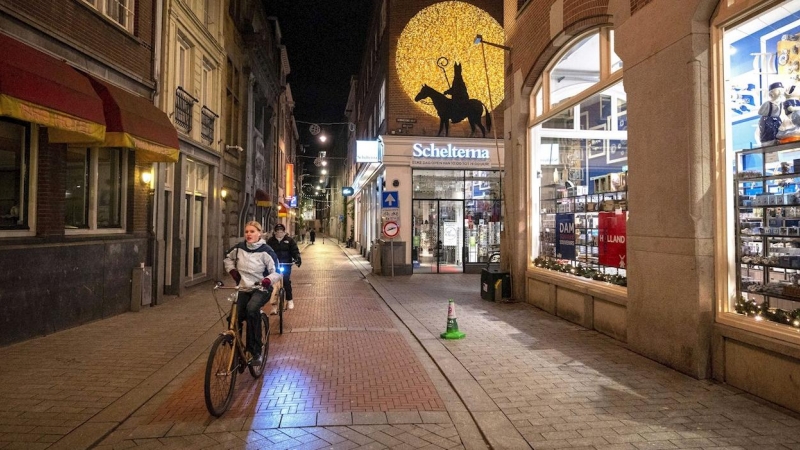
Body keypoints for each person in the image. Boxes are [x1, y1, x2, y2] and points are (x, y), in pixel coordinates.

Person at [223, 221, 281, 366]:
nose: (249, 234)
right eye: (247, 231)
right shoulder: (239, 248)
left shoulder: (266, 251)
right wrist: (232, 271)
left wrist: (267, 280)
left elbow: (277, 271)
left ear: (259, 233)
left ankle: (255, 351)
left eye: (252, 231)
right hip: (243, 288)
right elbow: (227, 258)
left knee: (251, 309)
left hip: (261, 289)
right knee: (233, 318)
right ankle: (238, 350)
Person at [266, 223, 301, 312]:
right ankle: (274, 306)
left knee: (286, 281)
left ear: (284, 231)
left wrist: (297, 258)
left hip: (286, 264)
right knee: (274, 285)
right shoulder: (270, 241)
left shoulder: (289, 241)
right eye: (277, 231)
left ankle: (289, 299)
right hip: (274, 266)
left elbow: (294, 250)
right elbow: (266, 253)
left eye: (281, 231)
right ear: (275, 232)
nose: (279, 232)